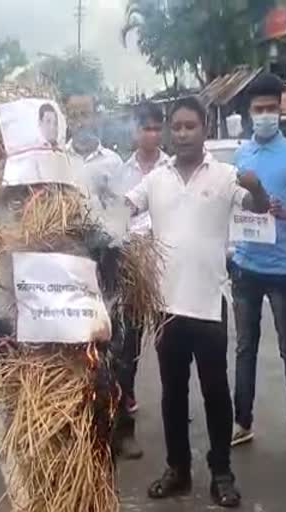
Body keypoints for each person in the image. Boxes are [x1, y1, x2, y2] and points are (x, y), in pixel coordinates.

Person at [126, 96, 270, 508]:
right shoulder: (155, 178)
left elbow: (259, 209)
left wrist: (256, 187)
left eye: (191, 126)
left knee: (215, 393)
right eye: (178, 127)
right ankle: (178, 469)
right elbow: (124, 207)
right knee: (173, 394)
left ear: (205, 129)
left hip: (209, 303)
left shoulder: (226, 176)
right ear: (171, 131)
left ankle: (221, 472)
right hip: (166, 305)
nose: (184, 133)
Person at [230, 72, 286, 457]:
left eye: (271, 109)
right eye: (258, 109)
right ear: (249, 114)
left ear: (280, 111)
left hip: (282, 268)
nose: (265, 115)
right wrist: (252, 203)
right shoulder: (241, 155)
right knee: (245, 349)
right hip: (246, 266)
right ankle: (242, 422)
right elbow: (237, 202)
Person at [112, 101, 169, 461]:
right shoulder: (122, 170)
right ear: (133, 131)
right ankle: (124, 421)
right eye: (143, 127)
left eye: (154, 127)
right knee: (126, 348)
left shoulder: (171, 168)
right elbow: (116, 215)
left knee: (170, 345)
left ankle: (174, 409)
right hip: (132, 267)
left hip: (165, 268)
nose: (150, 133)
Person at [66, 96, 123, 202]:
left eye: (85, 115)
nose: (79, 123)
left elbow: (121, 209)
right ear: (67, 121)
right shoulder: (58, 159)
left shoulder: (113, 162)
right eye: (73, 116)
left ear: (96, 118)